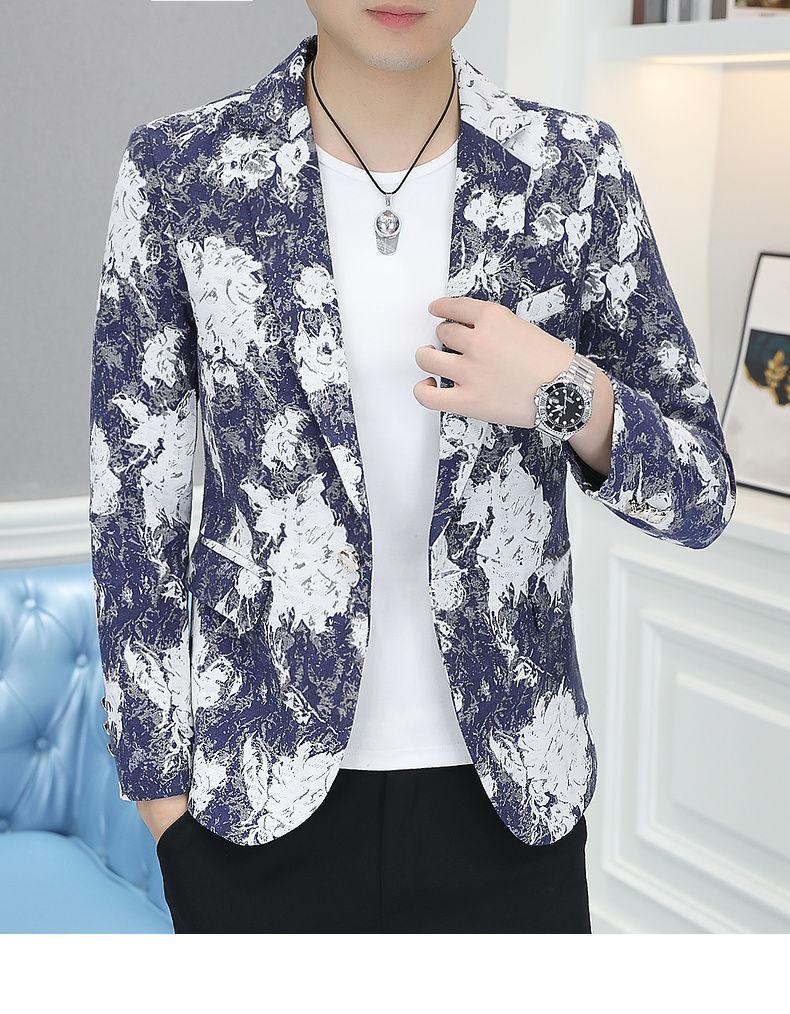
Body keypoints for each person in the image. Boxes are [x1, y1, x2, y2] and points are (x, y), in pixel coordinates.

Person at [88, 1, 736, 934]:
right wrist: (165, 812)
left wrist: (564, 391)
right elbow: (132, 512)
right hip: (253, 807)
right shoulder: (182, 172)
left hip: (512, 806)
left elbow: (702, 493)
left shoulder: (575, 170)